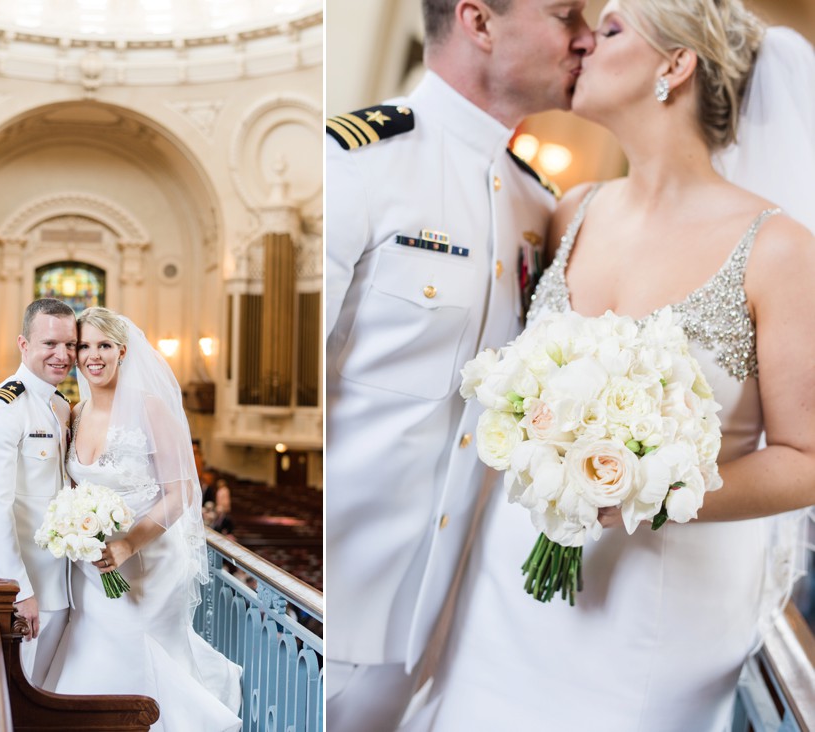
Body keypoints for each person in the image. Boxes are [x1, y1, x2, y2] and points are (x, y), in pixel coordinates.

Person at [426, 2, 815, 730]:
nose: (581, 43)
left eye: (607, 31)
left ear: (675, 64)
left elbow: (807, 457)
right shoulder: (571, 210)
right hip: (506, 591)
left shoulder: (781, 250)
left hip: (657, 616)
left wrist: (651, 486)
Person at [324, 1, 595, 728]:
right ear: (479, 21)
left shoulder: (537, 201)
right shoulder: (355, 163)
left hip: (448, 623)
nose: (585, 37)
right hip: (332, 612)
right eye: (565, 12)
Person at [44, 307, 242, 732]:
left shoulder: (150, 409)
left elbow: (182, 492)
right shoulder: (74, 415)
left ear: (122, 351)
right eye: (84, 346)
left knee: (139, 652)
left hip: (149, 563)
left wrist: (129, 542)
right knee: (94, 651)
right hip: (93, 566)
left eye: (104, 346)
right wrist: (76, 530)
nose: (93, 356)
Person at [0, 298, 77, 687]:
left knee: (38, 706)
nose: (62, 355)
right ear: (23, 344)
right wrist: (19, 592)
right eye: (50, 344)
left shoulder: (59, 405)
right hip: (10, 594)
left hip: (57, 589)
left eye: (70, 345)